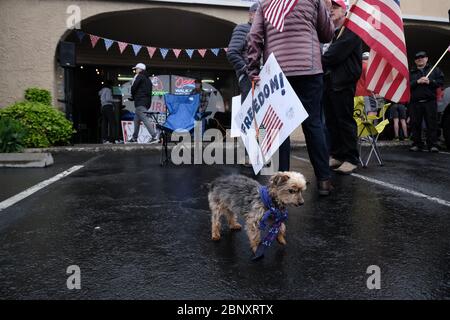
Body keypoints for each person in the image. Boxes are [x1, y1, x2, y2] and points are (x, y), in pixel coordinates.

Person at [247, 0, 334, 196]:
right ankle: (324, 181)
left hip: (278, 73)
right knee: (313, 124)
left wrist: (253, 69)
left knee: (280, 128)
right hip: (309, 68)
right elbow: (327, 33)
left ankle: (283, 185)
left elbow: (254, 37)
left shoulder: (266, 3)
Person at [322, 0, 362, 174]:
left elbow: (333, 55)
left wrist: (316, 60)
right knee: (332, 120)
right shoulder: (333, 33)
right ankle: (338, 154)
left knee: (345, 120)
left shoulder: (351, 30)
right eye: (330, 7)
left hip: (343, 82)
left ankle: (351, 158)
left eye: (335, 7)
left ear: (344, 10)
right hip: (330, 81)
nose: (331, 10)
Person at [409, 51, 444, 153]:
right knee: (415, 124)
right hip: (415, 102)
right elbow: (406, 85)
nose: (420, 59)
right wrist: (417, 82)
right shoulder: (411, 72)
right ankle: (417, 144)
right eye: (417, 57)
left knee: (432, 124)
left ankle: (432, 144)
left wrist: (430, 82)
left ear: (426, 58)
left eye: (422, 57)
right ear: (415, 61)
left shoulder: (435, 70)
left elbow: (440, 82)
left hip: (430, 102)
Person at [227, 3, 259, 103]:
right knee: (250, 111)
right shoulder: (242, 29)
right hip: (248, 79)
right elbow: (232, 53)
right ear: (251, 15)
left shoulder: (263, 31)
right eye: (259, 13)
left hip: (263, 77)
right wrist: (247, 70)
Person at [128, 63, 158, 144]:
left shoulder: (139, 76)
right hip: (146, 102)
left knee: (144, 119)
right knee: (136, 120)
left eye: (136, 69)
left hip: (140, 101)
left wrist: (132, 95)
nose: (135, 70)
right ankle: (134, 138)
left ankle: (155, 136)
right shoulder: (147, 79)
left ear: (140, 69)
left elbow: (134, 87)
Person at [356, 52, 378, 118]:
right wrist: (376, 92)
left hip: (357, 95)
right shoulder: (367, 67)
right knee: (371, 113)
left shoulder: (357, 67)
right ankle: (368, 128)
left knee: (360, 115)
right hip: (367, 94)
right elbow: (370, 82)